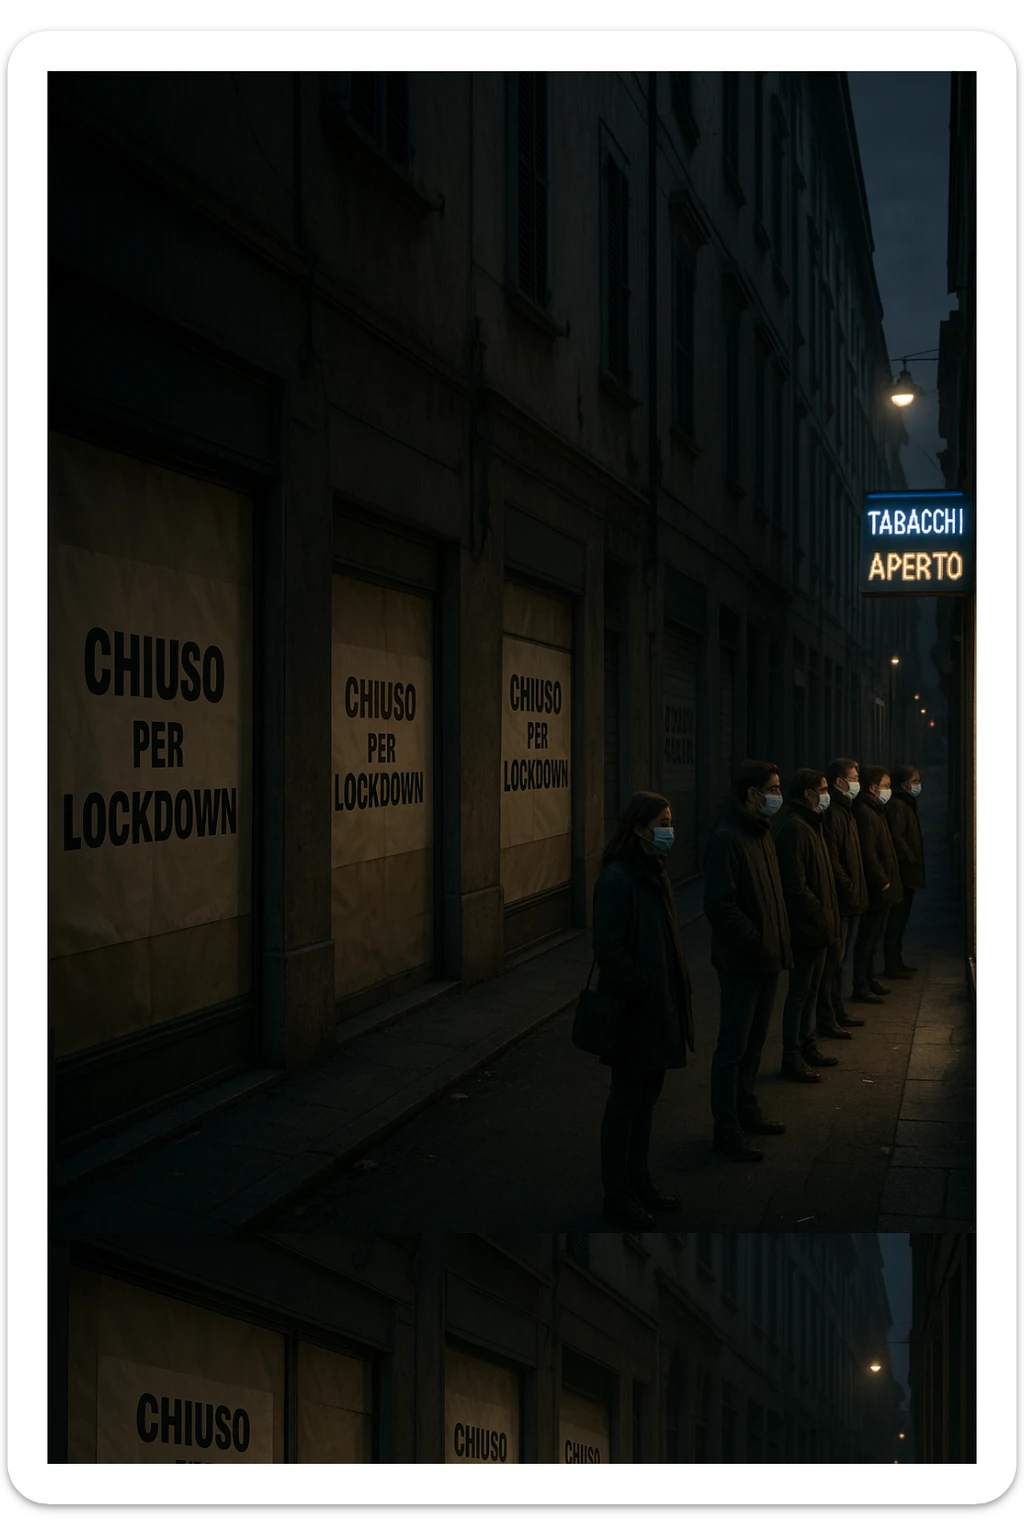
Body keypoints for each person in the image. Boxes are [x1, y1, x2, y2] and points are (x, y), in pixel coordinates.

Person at [592, 791, 695, 1229]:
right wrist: (646, 987)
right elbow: (609, 951)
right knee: (626, 1101)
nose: (669, 828)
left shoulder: (655, 871)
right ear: (638, 827)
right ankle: (616, 1193)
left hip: (658, 1009)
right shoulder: (618, 879)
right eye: (662, 821)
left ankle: (639, 1179)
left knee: (646, 1100)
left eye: (670, 819)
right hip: (636, 1011)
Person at [703, 760, 792, 1161]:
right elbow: (720, 905)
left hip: (767, 959)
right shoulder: (727, 837)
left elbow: (771, 897)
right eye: (773, 788)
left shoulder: (762, 833)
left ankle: (745, 1107)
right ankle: (726, 1127)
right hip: (743, 962)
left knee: (755, 1041)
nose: (778, 794)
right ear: (753, 794)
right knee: (732, 1046)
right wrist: (756, 942)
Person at [772, 768, 843, 1082]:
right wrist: (819, 913)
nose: (827, 794)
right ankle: (793, 1056)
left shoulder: (812, 824)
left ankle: (808, 1046)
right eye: (823, 789)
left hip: (819, 926)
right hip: (808, 928)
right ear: (807, 794)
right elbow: (796, 884)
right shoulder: (797, 828)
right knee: (800, 993)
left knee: (812, 990)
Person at [818, 757, 869, 1034]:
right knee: (832, 964)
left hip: (847, 901)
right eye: (853, 776)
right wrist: (848, 889)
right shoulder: (835, 813)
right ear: (840, 781)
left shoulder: (846, 810)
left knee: (838, 962)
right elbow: (834, 859)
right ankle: (828, 1018)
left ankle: (835, 1012)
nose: (857, 782)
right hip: (839, 902)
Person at [851, 766, 903, 1004]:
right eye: (886, 785)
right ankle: (861, 984)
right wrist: (882, 881)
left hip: (883, 887)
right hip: (877, 889)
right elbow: (869, 852)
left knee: (874, 936)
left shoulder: (875, 810)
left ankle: (869, 979)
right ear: (873, 788)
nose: (889, 790)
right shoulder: (866, 813)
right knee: (868, 937)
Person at [882, 765, 926, 978]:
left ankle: (896, 962)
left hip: (906, 873)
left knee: (900, 922)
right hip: (902, 874)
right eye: (915, 780)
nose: (918, 784)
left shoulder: (906, 804)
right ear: (904, 785)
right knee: (896, 922)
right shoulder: (900, 806)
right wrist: (911, 860)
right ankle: (892, 965)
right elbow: (897, 838)